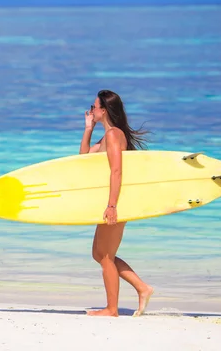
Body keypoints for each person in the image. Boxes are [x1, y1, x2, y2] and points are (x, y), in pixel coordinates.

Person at [80, 89, 154, 317]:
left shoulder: (113, 136)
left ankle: (112, 309)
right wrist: (88, 128)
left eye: (94, 107)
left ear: (104, 110)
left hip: (116, 202)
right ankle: (142, 288)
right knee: (100, 253)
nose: (91, 110)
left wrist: (112, 206)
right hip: (113, 200)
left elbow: (116, 171)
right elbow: (82, 160)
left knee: (105, 256)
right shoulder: (107, 136)